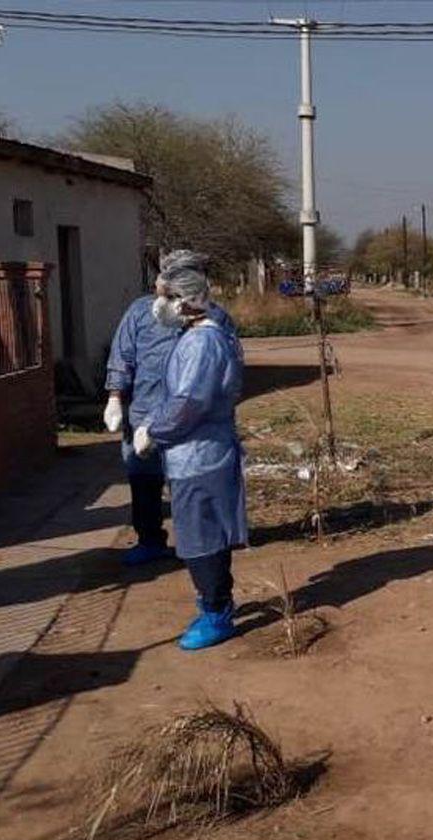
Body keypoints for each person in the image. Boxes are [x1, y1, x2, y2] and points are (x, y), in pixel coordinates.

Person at [131, 252, 248, 651]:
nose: (158, 305)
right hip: (197, 453)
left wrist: (154, 432)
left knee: (201, 538)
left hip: (199, 454)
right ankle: (215, 602)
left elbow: (189, 403)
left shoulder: (203, 343)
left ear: (185, 300)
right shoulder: (199, 336)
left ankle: (216, 612)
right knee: (203, 533)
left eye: (165, 296)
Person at [104, 252, 236, 566]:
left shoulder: (216, 321)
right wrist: (114, 398)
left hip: (191, 423)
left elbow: (227, 374)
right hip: (144, 414)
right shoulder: (139, 313)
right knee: (144, 481)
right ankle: (150, 539)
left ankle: (202, 547)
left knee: (190, 485)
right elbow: (122, 357)